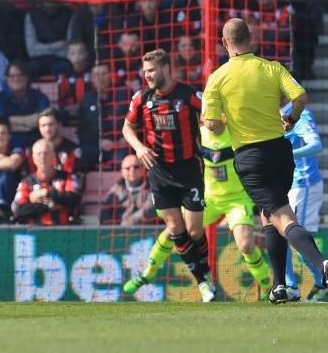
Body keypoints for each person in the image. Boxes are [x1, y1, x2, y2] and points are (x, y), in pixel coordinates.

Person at [202, 17, 328, 305]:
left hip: (251, 157)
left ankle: (323, 265)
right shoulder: (272, 67)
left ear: (225, 42)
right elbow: (300, 98)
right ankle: (280, 286)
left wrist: (231, 116)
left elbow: (212, 126)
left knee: (281, 216)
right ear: (250, 39)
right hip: (281, 152)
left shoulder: (217, 78)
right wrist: (289, 119)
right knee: (270, 213)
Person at [123, 125, 272, 296]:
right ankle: (147, 274)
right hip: (208, 197)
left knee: (245, 245)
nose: (209, 118)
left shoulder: (238, 132)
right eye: (205, 113)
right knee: (173, 231)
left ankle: (268, 286)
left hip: (237, 199)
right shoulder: (197, 134)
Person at [122, 49, 215, 302]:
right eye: (145, 71)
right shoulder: (142, 98)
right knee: (175, 228)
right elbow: (127, 127)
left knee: (195, 231)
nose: (147, 75)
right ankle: (203, 282)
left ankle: (206, 273)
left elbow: (210, 113)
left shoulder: (187, 95)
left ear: (165, 68)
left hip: (188, 171)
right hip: (159, 172)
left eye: (151, 70)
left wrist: (211, 122)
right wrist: (139, 147)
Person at [281, 100, 326, 302]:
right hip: (288, 184)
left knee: (296, 241)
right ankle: (291, 286)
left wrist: (287, 154)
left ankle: (323, 282)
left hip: (304, 184)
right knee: (280, 236)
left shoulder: (300, 114)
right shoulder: (273, 113)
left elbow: (316, 145)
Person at [13, 139, 80, 226]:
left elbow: (74, 198)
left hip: (63, 231)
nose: (42, 157)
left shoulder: (67, 178)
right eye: (39, 154)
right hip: (34, 232)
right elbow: (19, 209)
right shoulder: (26, 182)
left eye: (46, 153)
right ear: (33, 158)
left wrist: (46, 193)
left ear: (53, 156)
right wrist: (47, 207)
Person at [0, 61, 50, 149]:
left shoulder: (40, 96)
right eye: (12, 76)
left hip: (36, 144)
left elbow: (45, 119)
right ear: (7, 78)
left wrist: (10, 121)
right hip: (8, 146)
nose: (16, 79)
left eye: (20, 75)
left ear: (26, 77)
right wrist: (30, 122)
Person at [99, 154, 154, 226]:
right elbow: (105, 214)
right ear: (122, 171)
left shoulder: (153, 188)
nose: (132, 170)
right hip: (118, 233)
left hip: (146, 231)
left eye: (136, 167)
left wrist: (127, 223)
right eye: (127, 168)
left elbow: (149, 210)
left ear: (143, 168)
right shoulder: (115, 190)